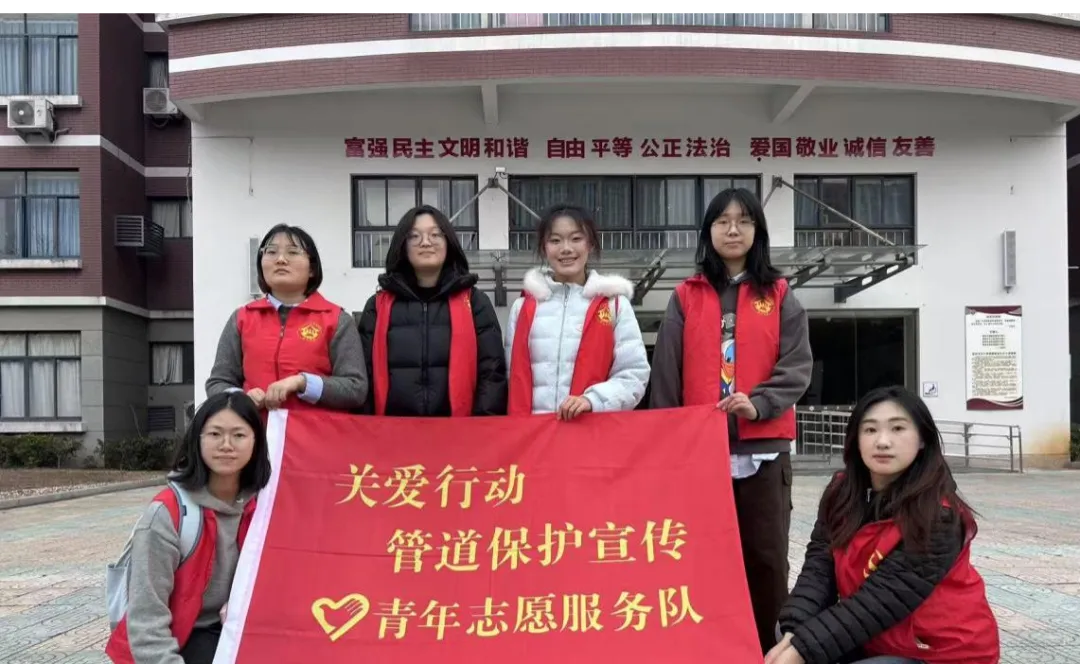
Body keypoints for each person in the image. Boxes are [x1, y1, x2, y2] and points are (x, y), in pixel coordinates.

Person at [649, 187, 813, 653]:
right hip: (701, 455)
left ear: (758, 230)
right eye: (722, 221)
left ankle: (769, 650)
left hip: (764, 453)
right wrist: (669, 444)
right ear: (708, 232)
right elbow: (666, 375)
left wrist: (759, 403)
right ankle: (706, 648)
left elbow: (797, 365)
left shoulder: (779, 294)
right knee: (702, 556)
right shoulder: (686, 295)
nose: (733, 230)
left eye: (743, 221)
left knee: (766, 559)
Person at [767, 385, 1000, 664]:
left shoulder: (939, 516)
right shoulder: (841, 494)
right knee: (788, 630)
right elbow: (819, 570)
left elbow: (879, 601)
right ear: (856, 439)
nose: (883, 442)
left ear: (922, 439)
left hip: (940, 652)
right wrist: (794, 629)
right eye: (870, 430)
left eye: (898, 428)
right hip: (878, 638)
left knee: (802, 650)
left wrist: (802, 651)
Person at [105, 391, 273, 664]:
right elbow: (146, 621)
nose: (226, 445)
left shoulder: (264, 509)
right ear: (197, 440)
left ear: (257, 442)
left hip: (235, 631)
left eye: (239, 435)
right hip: (181, 639)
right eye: (215, 434)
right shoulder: (167, 515)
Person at [357, 204, 507, 417]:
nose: (426, 242)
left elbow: (492, 373)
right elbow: (364, 376)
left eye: (435, 234)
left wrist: (480, 427)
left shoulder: (475, 303)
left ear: (449, 243)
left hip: (459, 431)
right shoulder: (378, 306)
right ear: (402, 245)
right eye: (414, 236)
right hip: (392, 431)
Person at [503, 204, 650, 419]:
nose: (566, 248)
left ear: (590, 244)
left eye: (576, 238)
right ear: (544, 248)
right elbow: (511, 377)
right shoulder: (522, 308)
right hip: (533, 433)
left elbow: (634, 374)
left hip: (591, 431)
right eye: (555, 240)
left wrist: (592, 400)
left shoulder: (614, 305)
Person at [205, 224, 368, 412]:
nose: (281, 259)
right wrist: (240, 398)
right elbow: (218, 382)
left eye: (293, 252)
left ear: (312, 268)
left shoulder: (336, 320)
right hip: (256, 428)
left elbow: (356, 389)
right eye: (271, 252)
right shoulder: (242, 318)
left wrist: (303, 383)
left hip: (315, 430)